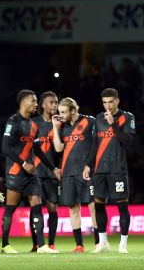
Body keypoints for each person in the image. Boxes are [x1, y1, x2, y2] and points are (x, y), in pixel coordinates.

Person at [0, 90, 58, 254]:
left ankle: (41, 246)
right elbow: (5, 147)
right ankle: (5, 245)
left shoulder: (33, 125)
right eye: (33, 101)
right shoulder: (13, 121)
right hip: (15, 172)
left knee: (37, 207)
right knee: (10, 209)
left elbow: (37, 150)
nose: (36, 104)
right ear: (24, 102)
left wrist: (52, 168)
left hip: (32, 174)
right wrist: (23, 163)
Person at [88, 88, 136, 254]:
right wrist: (88, 164)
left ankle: (123, 244)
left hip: (117, 169)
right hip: (100, 170)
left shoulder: (128, 117)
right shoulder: (98, 119)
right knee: (99, 205)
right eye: (105, 103)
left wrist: (113, 124)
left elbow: (127, 141)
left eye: (110, 102)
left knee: (122, 206)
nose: (108, 106)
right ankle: (103, 242)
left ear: (117, 101)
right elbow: (94, 144)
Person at [51, 97, 97, 253]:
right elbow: (58, 148)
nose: (61, 115)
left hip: (85, 172)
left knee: (92, 206)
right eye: (59, 112)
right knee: (73, 208)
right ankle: (79, 245)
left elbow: (95, 145)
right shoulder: (62, 127)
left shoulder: (89, 122)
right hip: (68, 172)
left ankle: (99, 242)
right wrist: (55, 127)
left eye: (64, 112)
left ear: (73, 111)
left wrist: (89, 165)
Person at [31, 91, 61, 251]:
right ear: (43, 104)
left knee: (52, 208)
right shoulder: (34, 123)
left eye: (56, 102)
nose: (55, 105)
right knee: (35, 206)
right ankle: (36, 244)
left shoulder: (59, 124)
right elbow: (32, 148)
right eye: (52, 102)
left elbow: (62, 149)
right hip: (35, 172)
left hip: (52, 174)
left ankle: (51, 243)